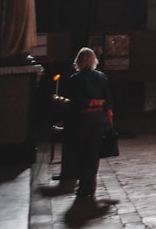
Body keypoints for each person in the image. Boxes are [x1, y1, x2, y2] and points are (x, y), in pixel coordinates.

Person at [56, 47, 113, 200]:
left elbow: (77, 102)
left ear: (79, 61)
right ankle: (90, 185)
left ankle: (83, 186)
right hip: (99, 118)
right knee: (93, 152)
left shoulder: (74, 79)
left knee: (81, 152)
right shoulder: (101, 77)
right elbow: (108, 100)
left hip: (82, 119)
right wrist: (108, 117)